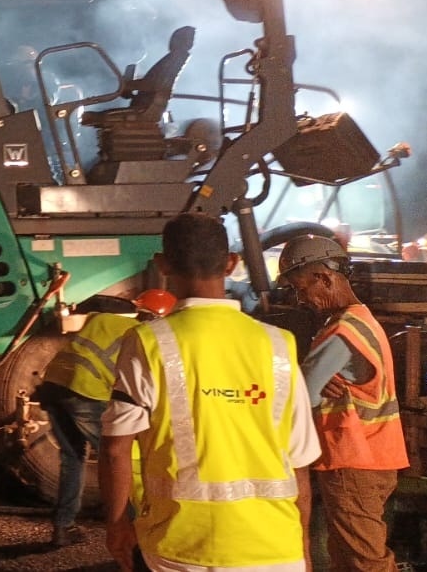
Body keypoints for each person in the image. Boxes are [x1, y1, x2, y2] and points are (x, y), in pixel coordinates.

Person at [100, 212, 320, 572]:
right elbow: (299, 463)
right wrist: (303, 546)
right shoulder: (279, 345)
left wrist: (117, 525)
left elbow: (115, 449)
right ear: (231, 263)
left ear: (163, 265)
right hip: (276, 548)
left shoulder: (147, 342)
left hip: (181, 548)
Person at [277, 235, 409, 572]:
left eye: (301, 288)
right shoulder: (363, 320)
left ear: (323, 277)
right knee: (347, 557)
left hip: (354, 459)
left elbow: (299, 396)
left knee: (364, 561)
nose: (300, 298)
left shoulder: (342, 331)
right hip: (375, 457)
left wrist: (303, 379)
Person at [38, 288, 177, 546]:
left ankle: (63, 527)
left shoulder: (100, 318)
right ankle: (134, 528)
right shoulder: (143, 337)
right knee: (117, 458)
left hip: (54, 386)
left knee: (73, 458)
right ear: (159, 317)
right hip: (86, 392)